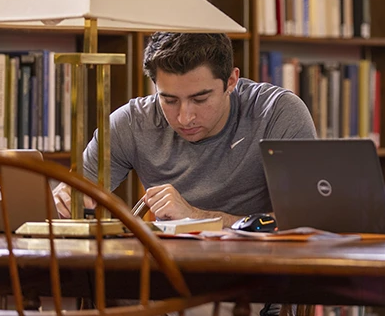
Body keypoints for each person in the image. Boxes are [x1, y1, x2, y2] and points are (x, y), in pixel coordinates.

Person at [53, 32, 317, 227]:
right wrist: (69, 198)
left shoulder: (277, 113)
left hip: (260, 278)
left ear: (231, 81)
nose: (184, 117)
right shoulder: (131, 123)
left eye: (200, 99)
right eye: (168, 100)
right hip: (168, 275)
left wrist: (196, 217)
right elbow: (78, 193)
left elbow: (308, 223)